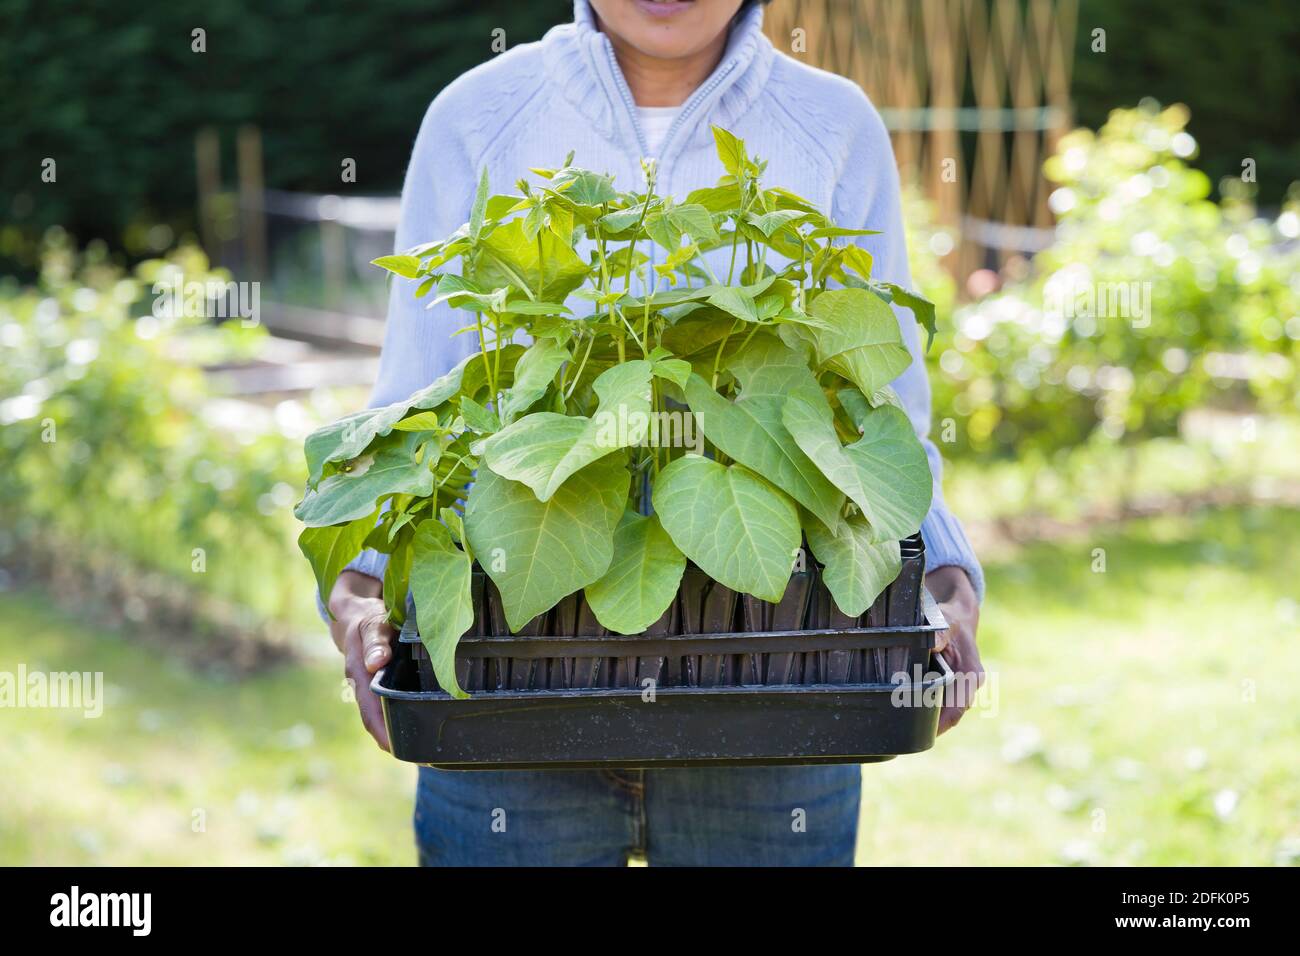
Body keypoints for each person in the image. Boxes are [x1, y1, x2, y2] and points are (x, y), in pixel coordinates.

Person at [325, 0, 984, 866]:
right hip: (507, 697)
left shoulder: (833, 124)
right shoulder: (477, 116)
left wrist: (941, 573)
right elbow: (415, 404)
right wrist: (363, 588)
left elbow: (881, 412)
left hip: (776, 697)